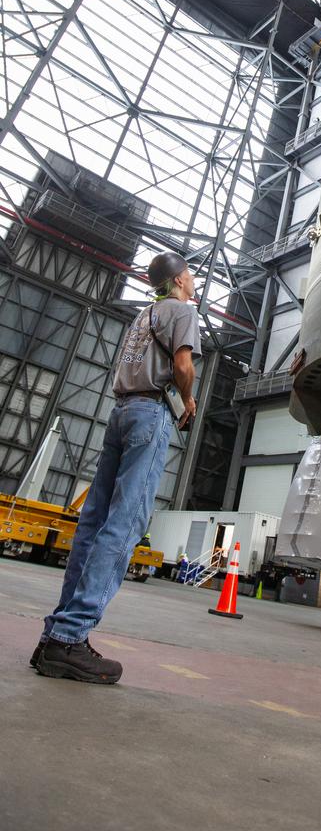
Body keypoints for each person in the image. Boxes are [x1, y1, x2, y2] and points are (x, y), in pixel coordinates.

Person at [32, 252, 200, 684]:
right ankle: (70, 638)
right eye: (191, 274)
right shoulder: (183, 311)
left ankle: (54, 636)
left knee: (92, 524)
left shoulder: (144, 316)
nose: (194, 279)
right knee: (124, 525)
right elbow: (182, 366)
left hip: (119, 413)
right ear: (179, 279)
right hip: (149, 415)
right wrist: (190, 399)